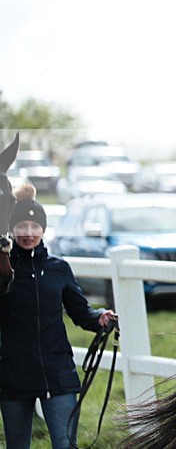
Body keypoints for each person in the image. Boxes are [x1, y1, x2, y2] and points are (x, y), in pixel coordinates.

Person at [0, 183, 117, 449]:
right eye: (21, 226)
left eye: (34, 226)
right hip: (14, 373)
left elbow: (80, 312)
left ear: (43, 229)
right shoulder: (4, 271)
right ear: (11, 229)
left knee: (65, 445)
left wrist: (98, 317)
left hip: (58, 373)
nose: (28, 233)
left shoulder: (58, 268)